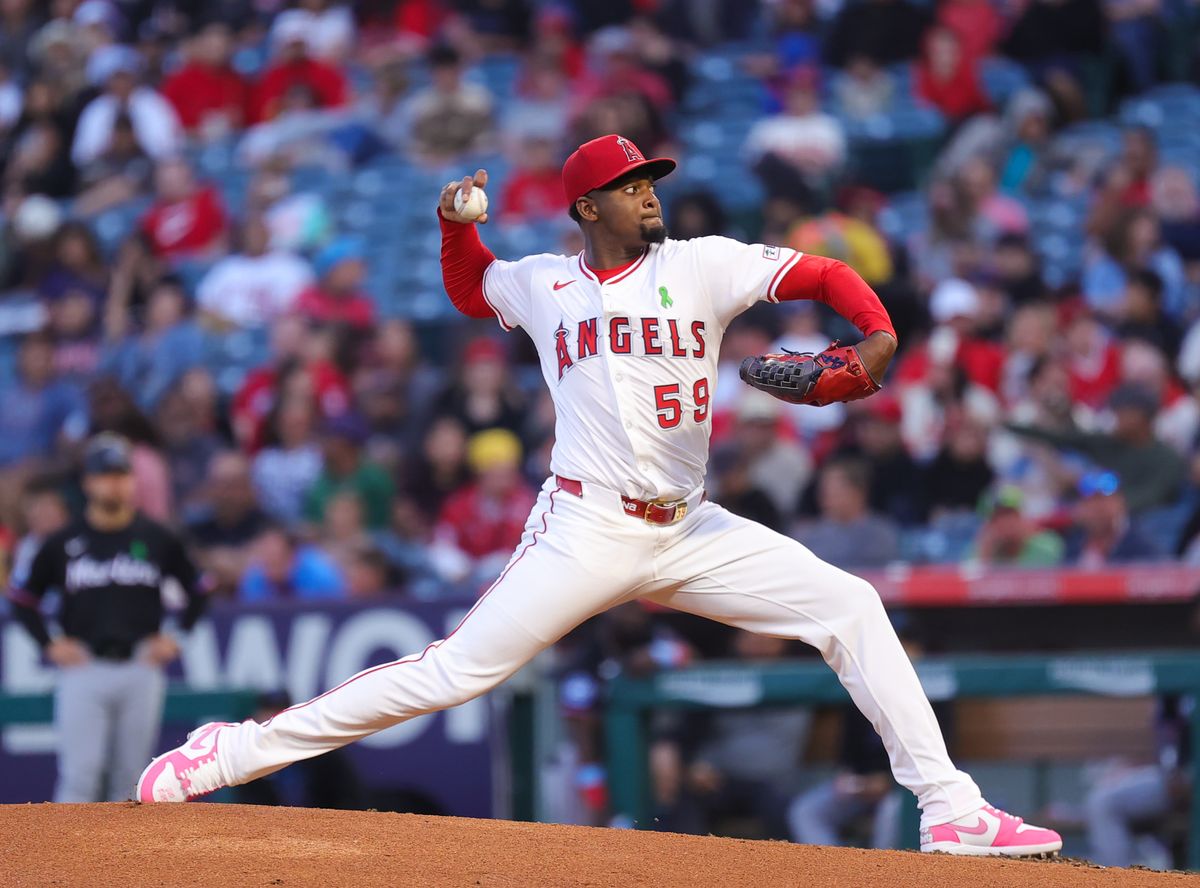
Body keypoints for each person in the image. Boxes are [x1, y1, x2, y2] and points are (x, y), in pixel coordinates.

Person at [137, 133, 1062, 859]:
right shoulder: (544, 282)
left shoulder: (699, 263)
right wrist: (458, 228)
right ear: (588, 205)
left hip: (690, 525)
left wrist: (876, 334)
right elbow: (471, 291)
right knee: (456, 673)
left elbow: (816, 274)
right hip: (584, 526)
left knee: (852, 606)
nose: (649, 190)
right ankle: (230, 752)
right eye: (630, 184)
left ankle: (952, 810)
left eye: (651, 178)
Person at [6, 433, 208, 802]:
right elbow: (22, 599)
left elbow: (200, 589)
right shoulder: (64, 542)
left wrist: (177, 637)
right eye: (104, 475)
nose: (113, 483)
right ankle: (67, 861)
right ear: (88, 482)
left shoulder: (157, 537)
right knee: (80, 777)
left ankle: (125, 861)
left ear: (132, 479)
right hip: (85, 666)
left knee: (132, 780)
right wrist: (49, 644)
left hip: (140, 664)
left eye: (120, 474)